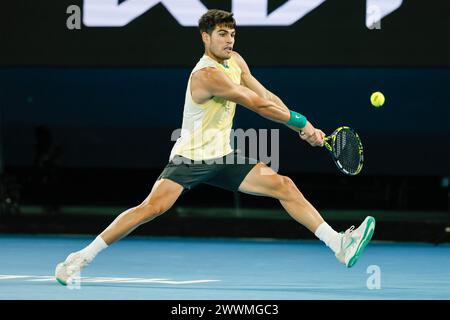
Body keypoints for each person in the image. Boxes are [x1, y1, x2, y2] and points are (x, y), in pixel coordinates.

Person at [55, 9, 375, 285]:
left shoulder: (235, 60)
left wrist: (305, 129)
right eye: (222, 34)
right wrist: (301, 123)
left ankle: (338, 244)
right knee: (150, 210)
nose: (229, 40)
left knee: (283, 185)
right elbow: (256, 106)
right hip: (191, 158)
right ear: (205, 38)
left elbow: (266, 97)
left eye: (232, 34)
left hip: (223, 154)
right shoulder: (207, 75)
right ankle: (80, 257)